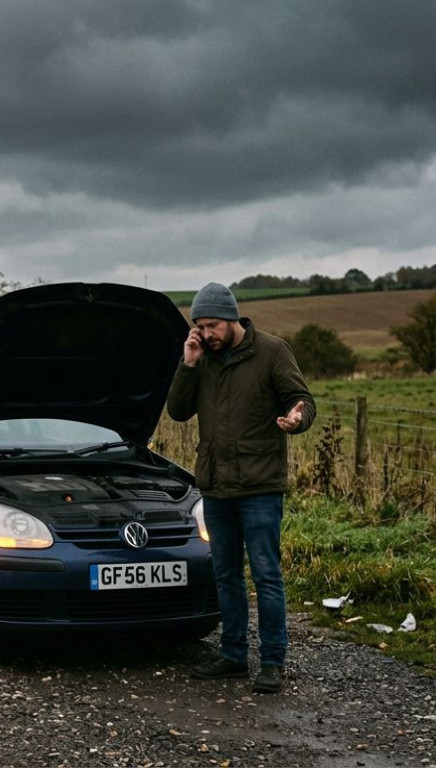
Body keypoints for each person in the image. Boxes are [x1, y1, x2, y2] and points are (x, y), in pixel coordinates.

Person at [166, 282, 315, 695]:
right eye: (200, 327)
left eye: (212, 326)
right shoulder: (202, 358)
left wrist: (296, 419)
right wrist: (188, 364)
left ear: (232, 319)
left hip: (260, 485)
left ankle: (272, 662)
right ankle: (233, 656)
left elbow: (301, 400)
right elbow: (178, 411)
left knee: (266, 574)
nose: (206, 333)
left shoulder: (272, 351)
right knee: (226, 574)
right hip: (215, 485)